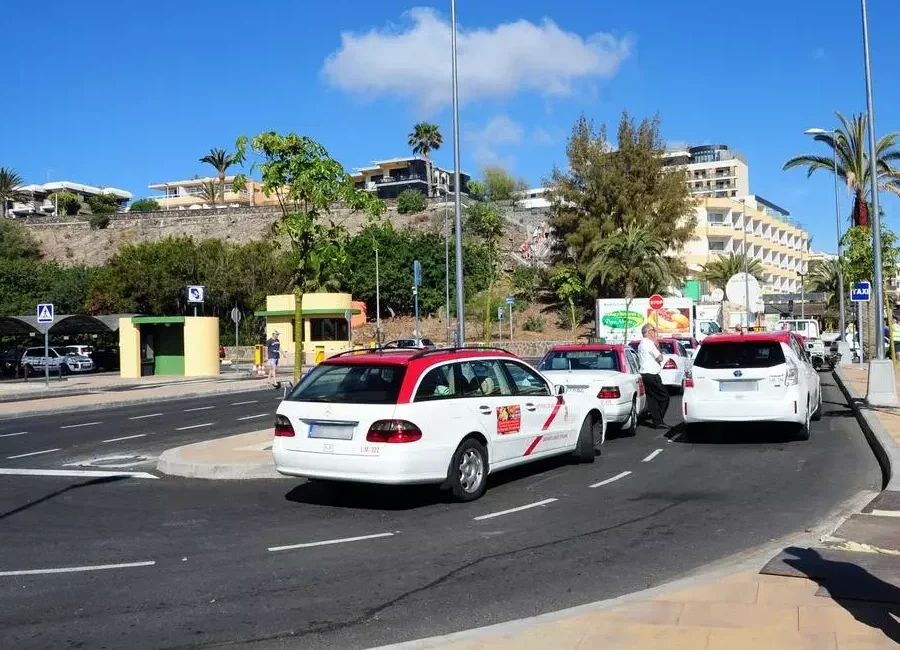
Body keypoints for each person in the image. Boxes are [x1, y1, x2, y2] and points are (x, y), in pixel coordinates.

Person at [637, 323, 669, 429]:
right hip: (652, 374)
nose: (655, 333)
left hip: (644, 374)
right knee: (664, 397)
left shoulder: (641, 344)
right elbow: (660, 358)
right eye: (653, 331)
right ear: (649, 332)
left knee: (652, 399)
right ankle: (658, 417)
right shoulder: (649, 343)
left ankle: (657, 422)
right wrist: (657, 345)